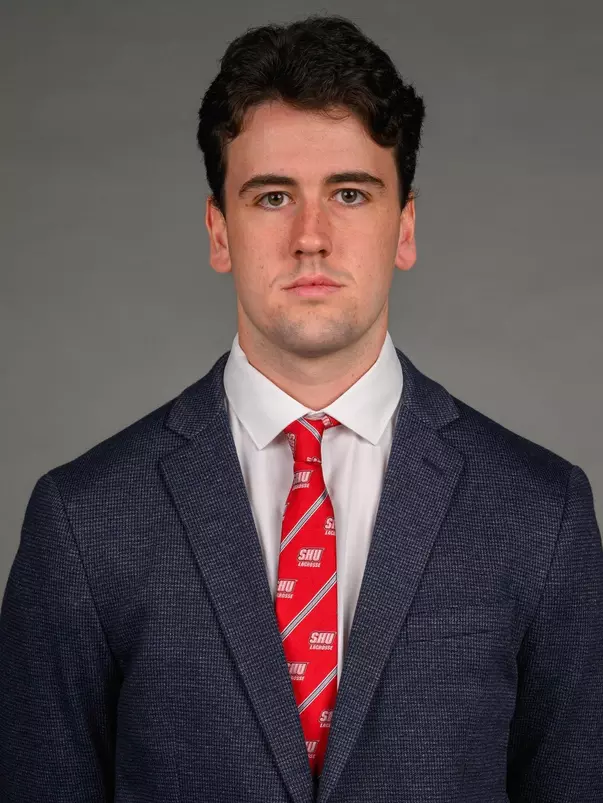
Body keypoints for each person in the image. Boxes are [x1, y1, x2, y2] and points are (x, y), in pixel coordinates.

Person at [1, 13, 602, 803]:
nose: (310, 237)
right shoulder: (84, 519)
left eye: (350, 193)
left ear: (405, 228)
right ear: (219, 232)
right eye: (272, 195)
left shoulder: (539, 512)